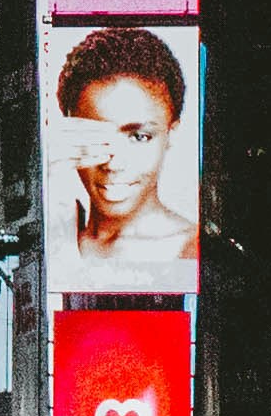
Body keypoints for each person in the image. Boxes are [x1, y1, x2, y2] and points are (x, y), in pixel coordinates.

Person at [51, 25, 202, 291]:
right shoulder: (55, 238)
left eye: (139, 137)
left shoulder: (194, 250)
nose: (114, 163)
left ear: (171, 133)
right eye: (95, 136)